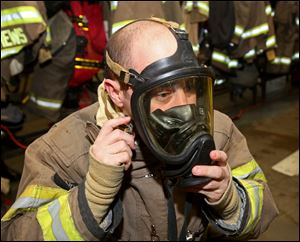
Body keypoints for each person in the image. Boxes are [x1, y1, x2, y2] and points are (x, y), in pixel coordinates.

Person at [1, 18, 279, 241]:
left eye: (190, 87)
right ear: (116, 93)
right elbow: (15, 234)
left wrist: (230, 200)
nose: (184, 108)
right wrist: (92, 197)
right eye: (163, 93)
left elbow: (263, 211)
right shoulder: (63, 149)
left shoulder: (219, 129)